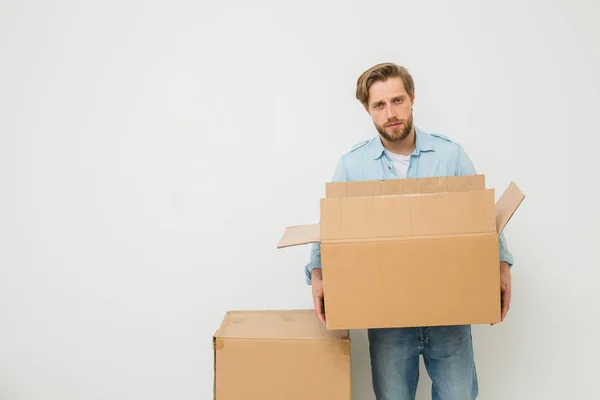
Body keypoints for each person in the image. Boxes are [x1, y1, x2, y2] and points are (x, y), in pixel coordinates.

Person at [305, 62, 513, 400]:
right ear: (367, 109)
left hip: (450, 314)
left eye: (398, 100)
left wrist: (501, 265)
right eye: (380, 105)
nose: (391, 113)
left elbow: (482, 220)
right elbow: (329, 228)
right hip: (388, 320)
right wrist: (317, 272)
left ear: (413, 97)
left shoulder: (450, 156)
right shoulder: (353, 166)